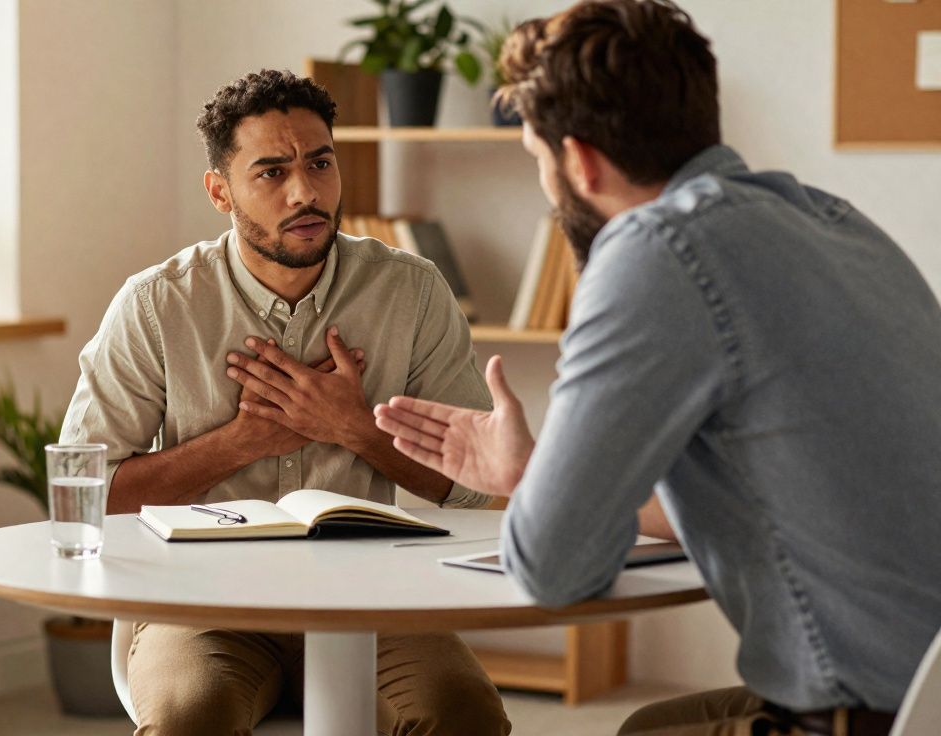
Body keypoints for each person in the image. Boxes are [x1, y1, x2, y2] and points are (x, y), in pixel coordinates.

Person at [372, 2, 941, 735]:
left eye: (538, 161)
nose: (549, 187)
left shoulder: (655, 250)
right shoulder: (835, 221)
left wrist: (541, 503)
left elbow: (553, 570)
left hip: (868, 714)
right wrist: (534, 474)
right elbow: (775, 492)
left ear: (577, 159)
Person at [61, 69, 510, 736]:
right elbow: (84, 493)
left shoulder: (411, 292)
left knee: (462, 714)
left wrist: (354, 429)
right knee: (190, 716)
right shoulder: (158, 304)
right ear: (220, 191)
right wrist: (244, 440)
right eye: (271, 172)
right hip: (205, 605)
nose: (306, 192)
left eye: (320, 162)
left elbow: (479, 492)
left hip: (371, 601)